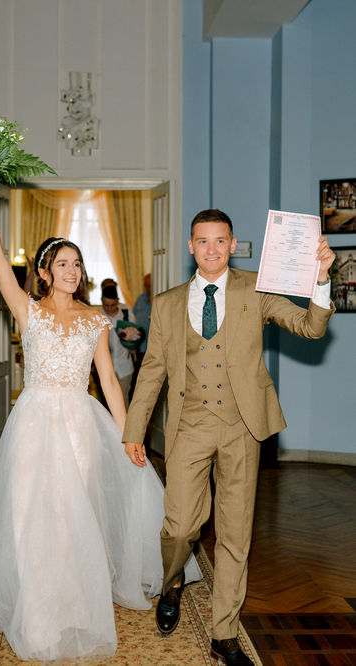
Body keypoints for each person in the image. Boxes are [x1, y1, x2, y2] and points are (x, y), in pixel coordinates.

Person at [0, 173, 201, 663]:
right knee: (29, 512)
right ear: (44, 271)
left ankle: (76, 601)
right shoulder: (27, 311)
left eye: (77, 263)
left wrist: (130, 436)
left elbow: (109, 382)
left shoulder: (94, 320)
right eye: (63, 263)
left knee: (75, 514)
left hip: (81, 424)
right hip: (33, 423)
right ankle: (36, 607)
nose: (72, 271)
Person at [122, 209, 335, 666]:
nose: (212, 249)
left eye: (221, 241)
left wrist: (321, 278)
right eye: (203, 241)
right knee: (180, 526)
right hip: (189, 426)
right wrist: (135, 430)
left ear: (233, 245)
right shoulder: (167, 303)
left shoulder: (256, 289)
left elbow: (311, 326)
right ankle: (173, 581)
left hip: (242, 427)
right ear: (190, 246)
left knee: (235, 534)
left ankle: (224, 634)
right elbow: (152, 371)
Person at [101, 284, 137, 408]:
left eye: (112, 305)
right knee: (107, 403)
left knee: (123, 400)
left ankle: (123, 421)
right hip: (105, 367)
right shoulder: (98, 316)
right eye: (106, 305)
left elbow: (135, 335)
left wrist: (133, 346)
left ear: (117, 301)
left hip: (124, 365)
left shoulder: (126, 314)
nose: (109, 308)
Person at [133, 273, 151, 358]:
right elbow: (133, 316)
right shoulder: (140, 298)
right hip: (140, 344)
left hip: (153, 345)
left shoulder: (159, 299)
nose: (148, 288)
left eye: (150, 285)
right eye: (146, 285)